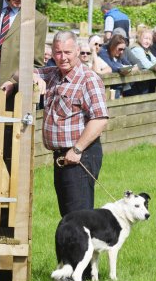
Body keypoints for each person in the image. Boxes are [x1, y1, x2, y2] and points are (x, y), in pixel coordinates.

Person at [34, 31, 109, 217]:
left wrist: (77, 149)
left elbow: (100, 119)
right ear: (52, 53)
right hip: (61, 156)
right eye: (58, 52)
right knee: (67, 216)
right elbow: (21, 71)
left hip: (80, 156)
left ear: (77, 51)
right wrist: (33, 77)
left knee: (79, 218)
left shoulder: (88, 79)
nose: (63, 57)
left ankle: (84, 247)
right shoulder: (53, 75)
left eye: (67, 52)